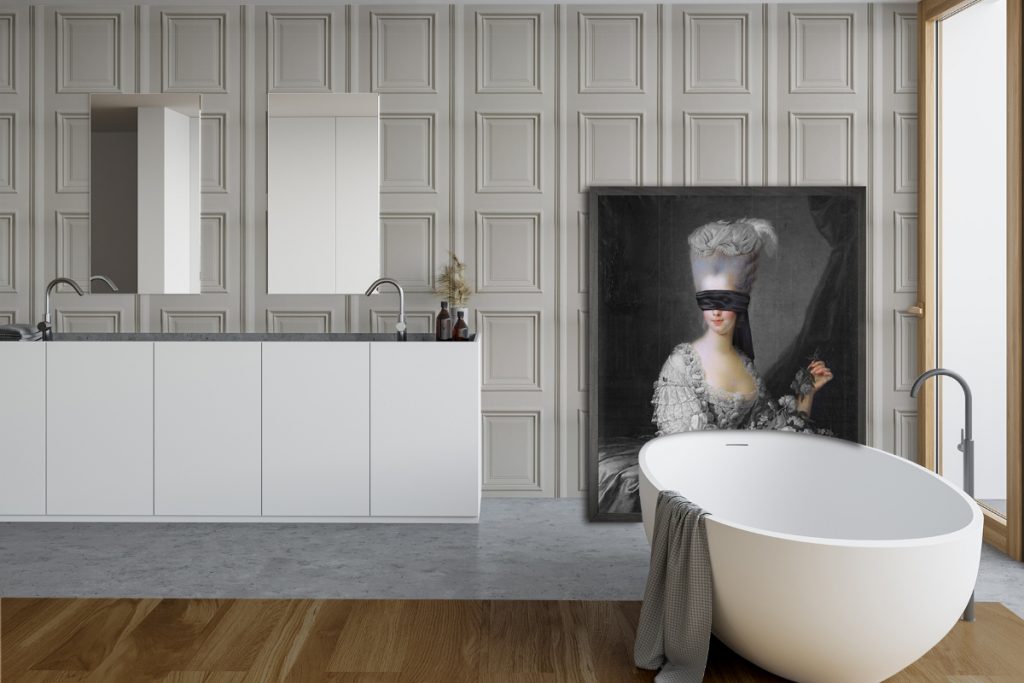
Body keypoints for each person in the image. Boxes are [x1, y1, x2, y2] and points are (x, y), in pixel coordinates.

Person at [651, 218, 834, 435]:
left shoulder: (746, 365)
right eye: (707, 300)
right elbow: (684, 448)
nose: (716, 312)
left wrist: (807, 394)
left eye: (726, 300)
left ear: (741, 303)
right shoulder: (682, 365)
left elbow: (772, 435)